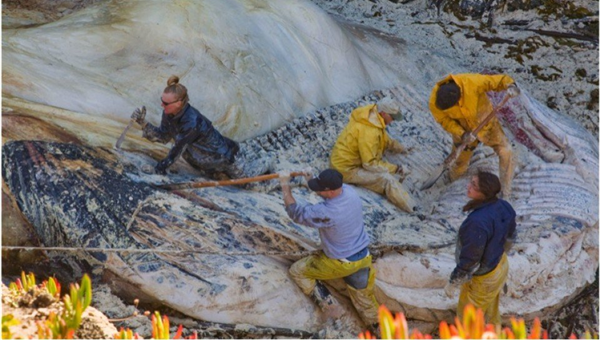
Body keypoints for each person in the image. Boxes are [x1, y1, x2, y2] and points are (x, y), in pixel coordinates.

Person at [279, 168, 379, 329]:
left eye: (321, 188)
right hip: (364, 258)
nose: (318, 190)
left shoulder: (327, 211)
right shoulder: (349, 191)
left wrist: (285, 185)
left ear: (330, 191)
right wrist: (311, 178)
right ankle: (382, 330)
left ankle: (331, 307)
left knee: (297, 271)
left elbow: (296, 213)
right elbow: (322, 191)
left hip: (341, 262)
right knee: (366, 303)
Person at [131, 75, 271, 178]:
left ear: (179, 103)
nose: (162, 105)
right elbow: (163, 136)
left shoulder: (192, 122)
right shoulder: (169, 113)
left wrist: (158, 170)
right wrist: (142, 123)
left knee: (251, 182)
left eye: (166, 103)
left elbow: (176, 150)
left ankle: (274, 168)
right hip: (203, 160)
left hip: (225, 158)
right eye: (162, 101)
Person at [429, 73, 520, 197]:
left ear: (459, 98)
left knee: (506, 151)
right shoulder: (435, 103)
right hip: (464, 132)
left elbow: (496, 81)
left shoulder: (471, 82)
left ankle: (505, 191)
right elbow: (445, 121)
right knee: (460, 162)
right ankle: (452, 183)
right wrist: (462, 134)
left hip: (487, 125)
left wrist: (510, 84)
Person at [444, 171, 516, 325]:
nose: (468, 186)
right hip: (500, 265)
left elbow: (471, 259)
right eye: (471, 181)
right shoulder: (504, 206)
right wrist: (497, 252)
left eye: (474, 185)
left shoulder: (477, 222)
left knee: (468, 320)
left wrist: (454, 280)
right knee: (489, 310)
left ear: (484, 193)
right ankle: (493, 333)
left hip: (484, 278)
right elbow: (510, 235)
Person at [329, 96, 415, 213]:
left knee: (385, 172)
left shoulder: (371, 116)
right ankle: (413, 210)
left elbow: (384, 139)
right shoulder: (369, 132)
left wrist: (401, 148)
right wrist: (397, 169)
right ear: (384, 114)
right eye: (392, 117)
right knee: (386, 179)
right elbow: (370, 164)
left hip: (346, 162)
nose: (393, 120)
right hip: (345, 170)